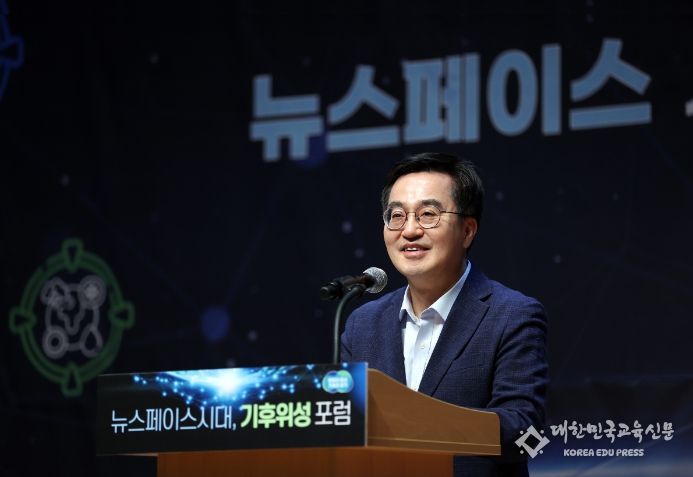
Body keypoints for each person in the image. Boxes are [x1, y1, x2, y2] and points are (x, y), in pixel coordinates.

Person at [341, 152, 548, 477]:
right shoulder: (362, 324)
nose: (409, 230)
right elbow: (344, 428)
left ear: (467, 231)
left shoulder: (512, 314)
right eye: (396, 215)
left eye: (428, 214)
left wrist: (417, 422)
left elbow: (528, 436)